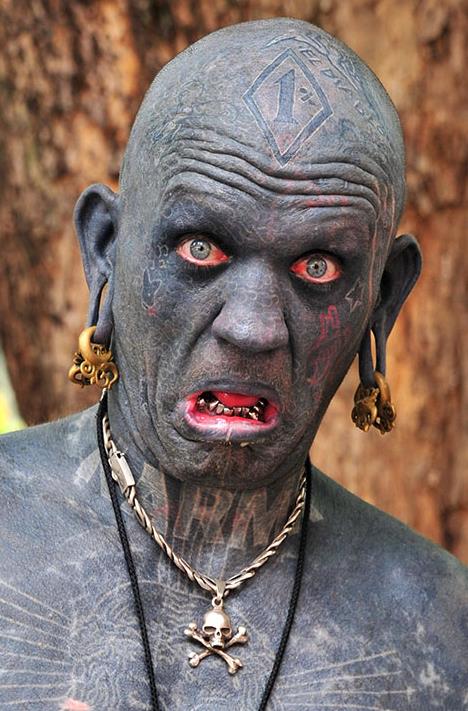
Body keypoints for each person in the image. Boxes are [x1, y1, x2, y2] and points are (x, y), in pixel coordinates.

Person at [0, 18, 466, 711]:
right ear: (105, 249)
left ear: (383, 299)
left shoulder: (442, 631)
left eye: (317, 267)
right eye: (201, 249)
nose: (253, 329)